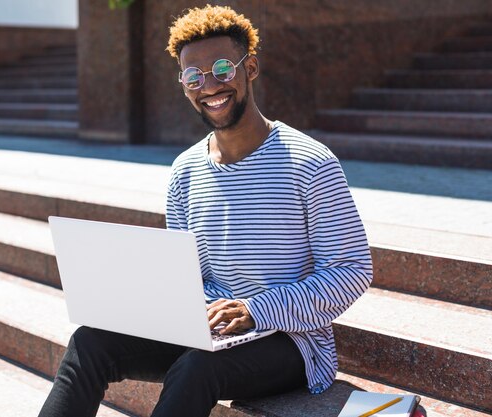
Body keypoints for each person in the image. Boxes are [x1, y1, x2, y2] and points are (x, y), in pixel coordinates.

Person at [39, 5, 372, 417]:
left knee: (197, 367)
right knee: (91, 342)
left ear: (249, 68)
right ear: (184, 85)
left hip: (293, 342)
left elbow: (352, 270)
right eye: (194, 76)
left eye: (221, 69)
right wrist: (146, 300)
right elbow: (188, 275)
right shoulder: (185, 171)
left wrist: (256, 309)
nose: (209, 85)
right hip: (208, 329)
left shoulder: (310, 163)